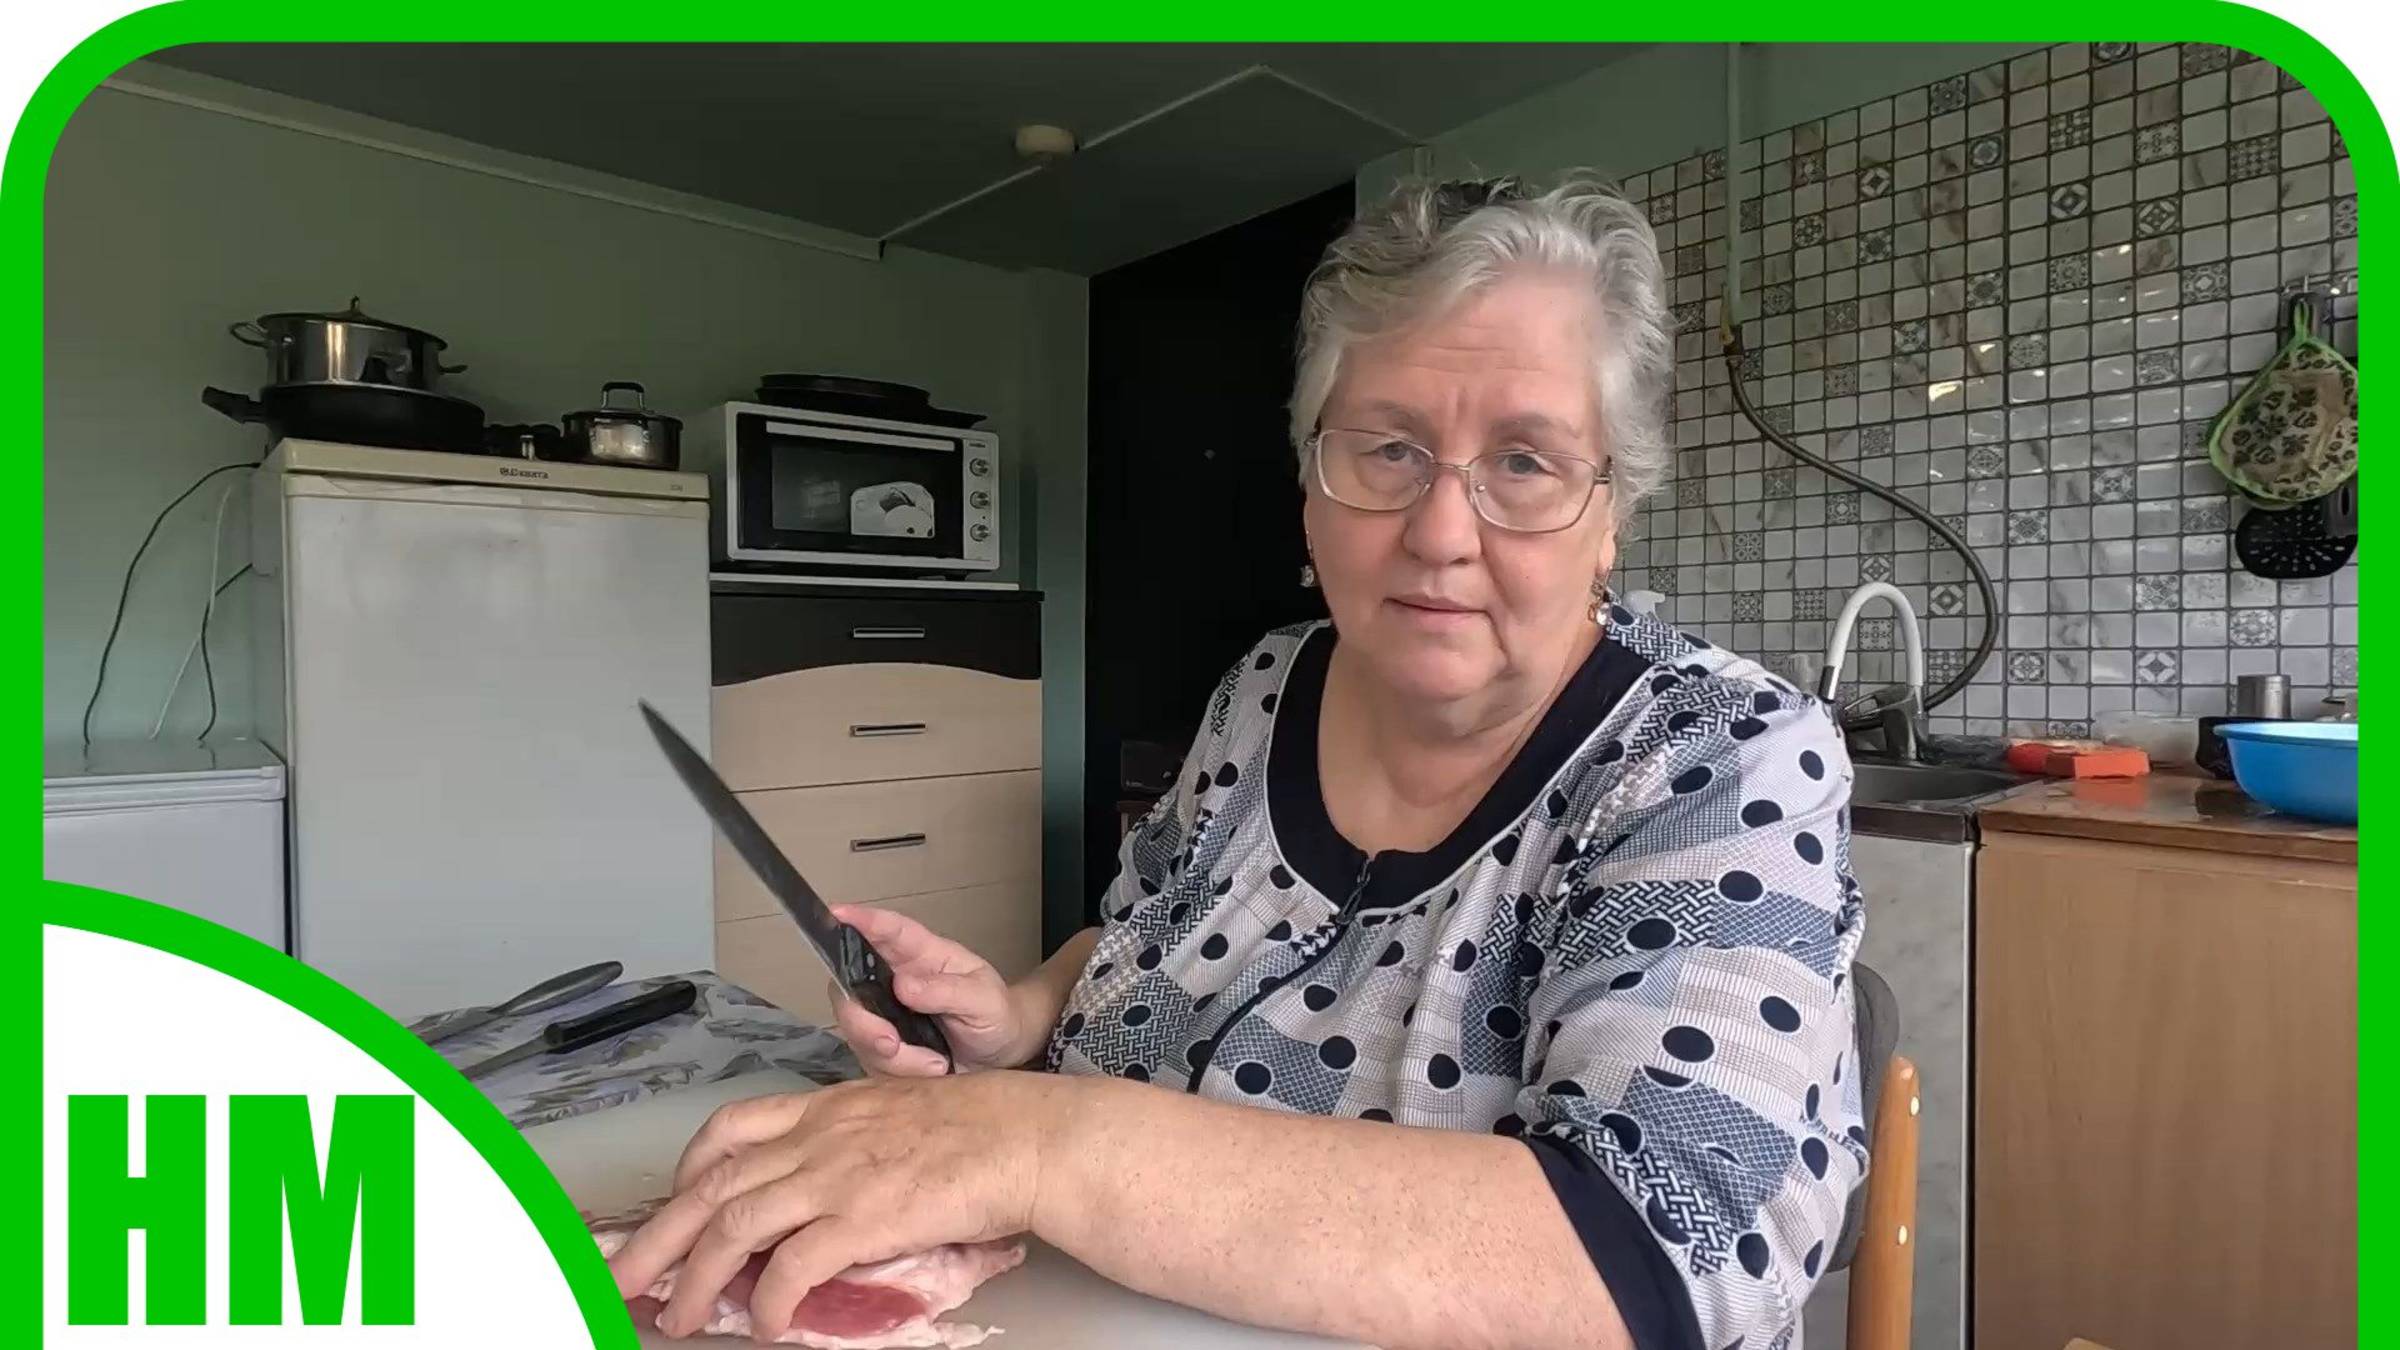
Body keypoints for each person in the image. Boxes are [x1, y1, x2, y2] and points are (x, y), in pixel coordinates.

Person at [607, 174, 1867, 1350]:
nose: (1439, 530)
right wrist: (1019, 1024)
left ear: (1611, 512)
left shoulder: (1717, 758)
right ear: (1313, 483)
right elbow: (1146, 937)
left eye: (1525, 461)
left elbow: (1658, 1254)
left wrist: (1033, 1144)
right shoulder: (1271, 686)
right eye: (1388, 449)